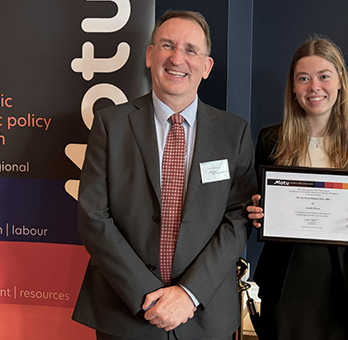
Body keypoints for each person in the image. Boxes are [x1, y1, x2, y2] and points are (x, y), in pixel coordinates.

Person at [72, 10, 257, 340]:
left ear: (206, 66)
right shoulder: (110, 125)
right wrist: (146, 295)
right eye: (167, 45)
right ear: (150, 54)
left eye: (190, 50)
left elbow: (239, 219)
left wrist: (189, 293)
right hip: (124, 312)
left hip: (205, 314)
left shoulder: (235, 133)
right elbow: (93, 217)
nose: (177, 58)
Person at [246, 37, 348, 340]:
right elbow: (254, 208)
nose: (314, 87)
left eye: (324, 76)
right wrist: (254, 212)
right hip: (284, 283)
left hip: (341, 284)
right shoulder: (271, 140)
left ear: (340, 83)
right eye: (303, 79)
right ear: (293, 88)